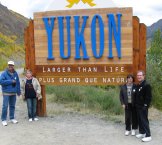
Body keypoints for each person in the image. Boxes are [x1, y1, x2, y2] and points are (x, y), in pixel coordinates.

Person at [0, 61, 21, 126]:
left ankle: (12, 118)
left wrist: (18, 91)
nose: (10, 66)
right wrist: (11, 81)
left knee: (12, 106)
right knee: (5, 106)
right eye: (9, 65)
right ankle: (3, 119)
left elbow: (17, 82)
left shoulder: (15, 73)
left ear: (13, 66)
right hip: (6, 92)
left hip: (13, 93)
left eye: (12, 65)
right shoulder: (4, 73)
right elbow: (1, 82)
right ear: (8, 66)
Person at [135, 70, 152, 142]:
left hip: (143, 107)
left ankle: (148, 135)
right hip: (138, 106)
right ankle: (142, 132)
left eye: (140, 75)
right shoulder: (139, 84)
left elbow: (149, 97)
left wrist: (145, 105)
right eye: (138, 75)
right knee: (140, 120)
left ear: (143, 76)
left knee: (144, 121)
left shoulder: (146, 85)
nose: (139, 76)